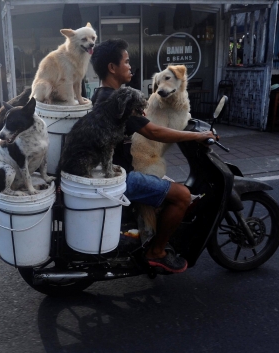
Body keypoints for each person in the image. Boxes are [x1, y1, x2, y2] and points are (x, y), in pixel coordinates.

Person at [89, 39, 215, 273]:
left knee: (162, 183)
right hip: (121, 178)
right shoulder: (118, 100)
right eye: (126, 62)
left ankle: (146, 235)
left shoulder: (101, 95)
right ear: (112, 68)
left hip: (112, 172)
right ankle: (156, 252)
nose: (130, 67)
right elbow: (154, 131)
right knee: (182, 196)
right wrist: (197, 137)